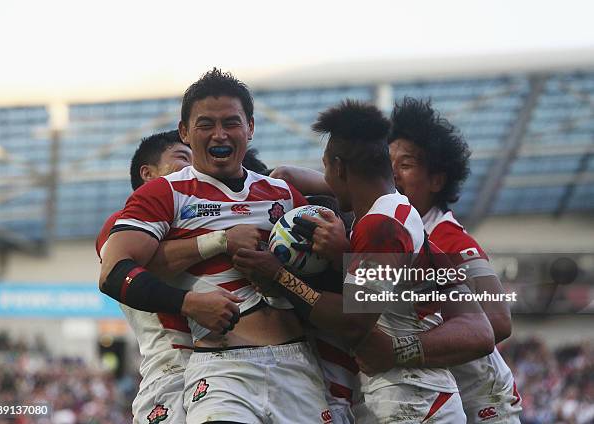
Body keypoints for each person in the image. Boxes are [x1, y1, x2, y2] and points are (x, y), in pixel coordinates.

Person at [234, 100, 494, 423]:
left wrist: (280, 277)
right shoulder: (397, 214)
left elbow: (353, 320)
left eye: (326, 166)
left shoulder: (380, 227)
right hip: (416, 402)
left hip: (415, 405)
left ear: (340, 168)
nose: (325, 176)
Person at [99, 68, 330, 424]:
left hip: (298, 367)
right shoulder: (165, 193)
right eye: (205, 124)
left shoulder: (283, 195)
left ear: (250, 127)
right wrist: (188, 302)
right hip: (223, 371)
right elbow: (114, 271)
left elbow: (332, 261)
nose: (219, 134)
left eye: (230, 123)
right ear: (185, 132)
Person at [388, 97, 521, 423]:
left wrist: (404, 348)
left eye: (405, 165)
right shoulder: (392, 234)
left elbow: (499, 320)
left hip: (484, 405)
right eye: (385, 165)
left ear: (437, 180)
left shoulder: (448, 238)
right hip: (443, 401)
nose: (392, 176)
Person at [96, 130, 194, 424]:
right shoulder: (122, 224)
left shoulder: (335, 233)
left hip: (287, 376)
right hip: (174, 372)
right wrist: (221, 240)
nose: (193, 171)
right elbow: (116, 272)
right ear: (148, 174)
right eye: (183, 158)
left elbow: (342, 309)